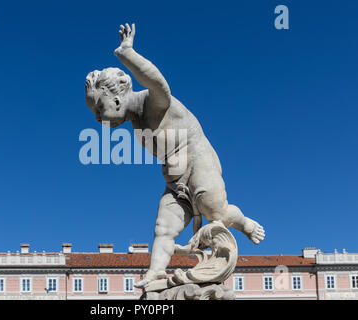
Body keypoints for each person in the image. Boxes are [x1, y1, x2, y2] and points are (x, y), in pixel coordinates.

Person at [85, 23, 265, 288]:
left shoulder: (152, 102)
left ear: (116, 99)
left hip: (198, 164)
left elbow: (159, 82)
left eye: (99, 109)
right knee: (162, 228)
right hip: (174, 182)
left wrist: (127, 53)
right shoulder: (136, 124)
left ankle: (244, 222)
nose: (98, 118)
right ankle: (155, 273)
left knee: (217, 213)